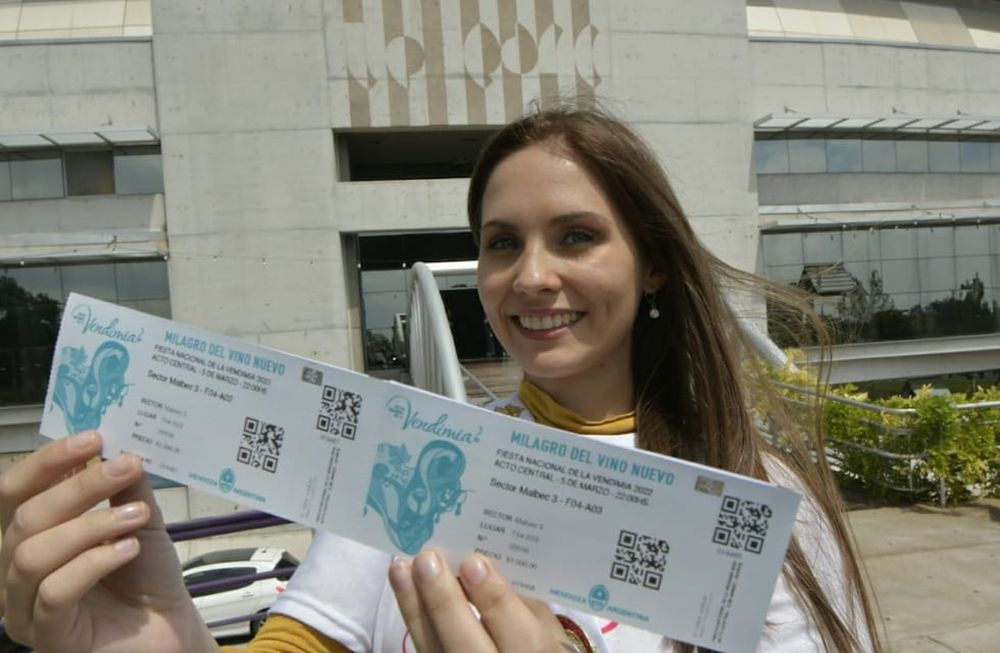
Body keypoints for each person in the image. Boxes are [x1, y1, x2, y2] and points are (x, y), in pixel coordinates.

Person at [0, 105, 882, 653]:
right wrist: (171, 642)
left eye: (576, 236)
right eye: (502, 242)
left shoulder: (758, 504)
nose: (530, 276)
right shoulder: (413, 461)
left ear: (653, 263)